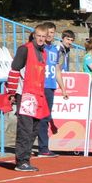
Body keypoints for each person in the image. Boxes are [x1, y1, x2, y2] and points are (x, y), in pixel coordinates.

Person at [6, 24, 50, 172]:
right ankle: (21, 161)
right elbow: (14, 70)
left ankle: (25, 158)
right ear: (34, 35)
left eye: (43, 37)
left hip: (38, 95)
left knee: (35, 128)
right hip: (25, 94)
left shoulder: (43, 52)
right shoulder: (24, 49)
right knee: (25, 128)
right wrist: (11, 92)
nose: (41, 39)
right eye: (39, 36)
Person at [36, 22, 69, 157]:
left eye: (52, 32)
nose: (50, 35)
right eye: (48, 32)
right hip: (39, 86)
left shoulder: (55, 50)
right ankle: (41, 147)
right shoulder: (39, 48)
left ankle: (43, 147)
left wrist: (63, 88)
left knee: (46, 117)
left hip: (50, 86)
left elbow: (57, 70)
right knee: (40, 117)